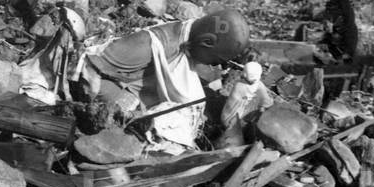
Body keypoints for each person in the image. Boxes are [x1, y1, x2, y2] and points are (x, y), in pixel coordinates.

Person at [78, 9, 251, 113]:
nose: (215, 66)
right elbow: (86, 72)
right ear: (206, 42)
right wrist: (128, 106)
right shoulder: (148, 45)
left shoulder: (186, 41)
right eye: (215, 61)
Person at [215, 60, 274, 148]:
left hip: (225, 115)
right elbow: (266, 102)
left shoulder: (239, 83)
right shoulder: (256, 86)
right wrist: (267, 102)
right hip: (234, 121)